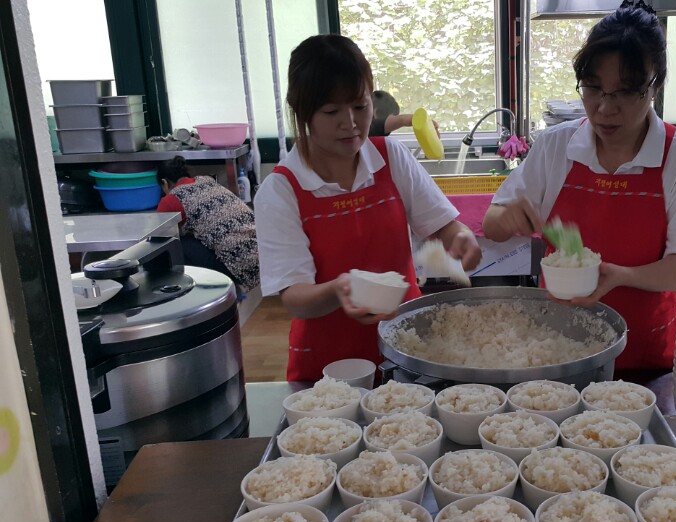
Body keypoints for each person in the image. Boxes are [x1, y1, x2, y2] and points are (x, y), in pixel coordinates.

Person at [482, 0, 676, 376]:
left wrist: (622, 276)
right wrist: (507, 218)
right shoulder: (555, 145)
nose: (604, 108)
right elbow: (492, 224)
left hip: (644, 355)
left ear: (654, 86)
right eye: (593, 88)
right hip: (556, 347)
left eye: (625, 92)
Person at [254, 34, 482, 382]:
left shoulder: (391, 157)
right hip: (329, 366)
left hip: (409, 346)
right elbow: (295, 297)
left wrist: (461, 237)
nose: (350, 123)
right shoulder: (282, 190)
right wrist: (339, 289)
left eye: (360, 107)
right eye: (332, 112)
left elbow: (443, 225)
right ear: (302, 112)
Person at [156, 157, 260, 291]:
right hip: (260, 254)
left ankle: (221, 288)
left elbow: (158, 234)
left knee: (178, 244)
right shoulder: (207, 180)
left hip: (239, 265)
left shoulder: (171, 199)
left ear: (164, 183)